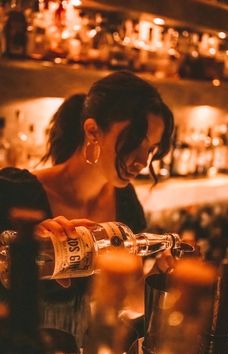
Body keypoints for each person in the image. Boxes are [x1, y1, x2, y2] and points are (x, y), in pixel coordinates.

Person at [0, 70, 174, 351]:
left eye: (151, 149)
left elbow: (125, 302)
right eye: (135, 142)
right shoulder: (13, 191)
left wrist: (160, 278)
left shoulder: (126, 204)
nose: (143, 160)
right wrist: (17, 247)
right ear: (93, 131)